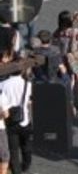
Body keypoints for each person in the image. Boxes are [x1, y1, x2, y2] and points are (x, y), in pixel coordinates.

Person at [0, 46, 32, 174]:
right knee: (26, 145)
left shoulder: (3, 85)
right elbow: (30, 101)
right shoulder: (27, 84)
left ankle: (16, 170)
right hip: (24, 118)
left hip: (10, 120)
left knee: (13, 149)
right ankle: (26, 164)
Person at [53, 10, 78, 109]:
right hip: (76, 55)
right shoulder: (75, 32)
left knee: (69, 78)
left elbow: (55, 35)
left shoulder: (59, 32)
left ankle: (68, 99)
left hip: (64, 56)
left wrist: (72, 20)